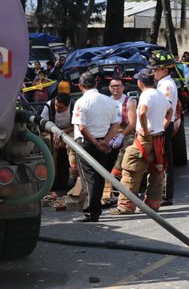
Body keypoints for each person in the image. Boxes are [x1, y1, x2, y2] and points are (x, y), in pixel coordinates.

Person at [113, 70, 170, 214]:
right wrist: (163, 126)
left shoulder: (146, 95)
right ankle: (153, 204)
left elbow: (142, 112)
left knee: (131, 170)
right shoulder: (160, 94)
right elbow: (170, 111)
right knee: (156, 172)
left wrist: (144, 129)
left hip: (145, 139)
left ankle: (126, 206)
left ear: (140, 82)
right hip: (158, 138)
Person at [70, 72, 120, 222]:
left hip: (86, 143)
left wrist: (95, 143)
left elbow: (82, 128)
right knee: (99, 177)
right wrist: (104, 141)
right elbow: (116, 125)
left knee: (89, 179)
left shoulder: (81, 102)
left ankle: (91, 212)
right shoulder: (109, 101)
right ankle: (95, 210)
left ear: (80, 86)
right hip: (103, 143)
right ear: (96, 84)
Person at [101, 79, 136, 206]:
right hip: (109, 131)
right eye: (113, 86)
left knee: (128, 147)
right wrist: (109, 137)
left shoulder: (130, 101)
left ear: (123, 88)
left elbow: (132, 124)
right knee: (100, 148)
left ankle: (115, 175)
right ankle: (102, 185)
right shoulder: (105, 101)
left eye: (118, 86)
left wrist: (121, 136)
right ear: (109, 88)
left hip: (126, 131)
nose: (115, 88)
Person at [152, 54, 181, 206]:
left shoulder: (167, 85)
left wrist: (161, 128)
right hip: (161, 125)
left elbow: (167, 109)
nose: (153, 72)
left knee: (165, 161)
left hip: (164, 125)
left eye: (156, 69)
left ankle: (166, 195)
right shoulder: (162, 83)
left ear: (165, 70)